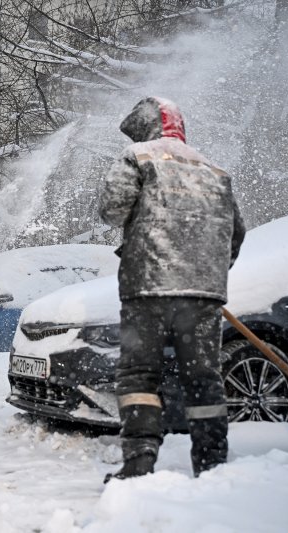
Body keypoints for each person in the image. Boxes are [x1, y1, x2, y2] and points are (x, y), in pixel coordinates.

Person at [99, 97, 246, 481]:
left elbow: (112, 209)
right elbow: (236, 234)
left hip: (146, 289)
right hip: (203, 296)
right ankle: (213, 464)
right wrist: (204, 272)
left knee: (139, 376)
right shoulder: (214, 169)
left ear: (145, 127)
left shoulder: (138, 156)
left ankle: (139, 462)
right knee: (203, 378)